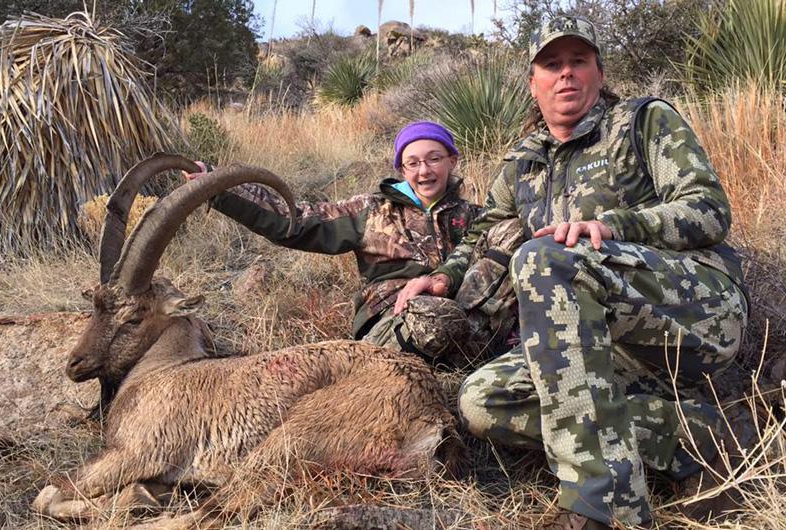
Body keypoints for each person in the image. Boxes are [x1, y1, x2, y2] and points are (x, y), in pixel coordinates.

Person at [394, 16, 749, 530]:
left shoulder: (641, 121)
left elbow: (709, 209)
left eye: (578, 62)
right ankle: (695, 434)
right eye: (552, 65)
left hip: (694, 313)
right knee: (482, 402)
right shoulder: (522, 163)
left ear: (599, 74)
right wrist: (444, 277)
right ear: (532, 83)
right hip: (597, 343)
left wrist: (612, 225)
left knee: (544, 258)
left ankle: (604, 506)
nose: (566, 75)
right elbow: (482, 235)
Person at [184, 121, 483, 365]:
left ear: (452, 161)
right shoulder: (372, 211)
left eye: (434, 159)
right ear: (401, 170)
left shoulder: (475, 216)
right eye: (413, 163)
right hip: (395, 319)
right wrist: (217, 186)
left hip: (458, 315)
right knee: (434, 322)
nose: (424, 171)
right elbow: (297, 221)